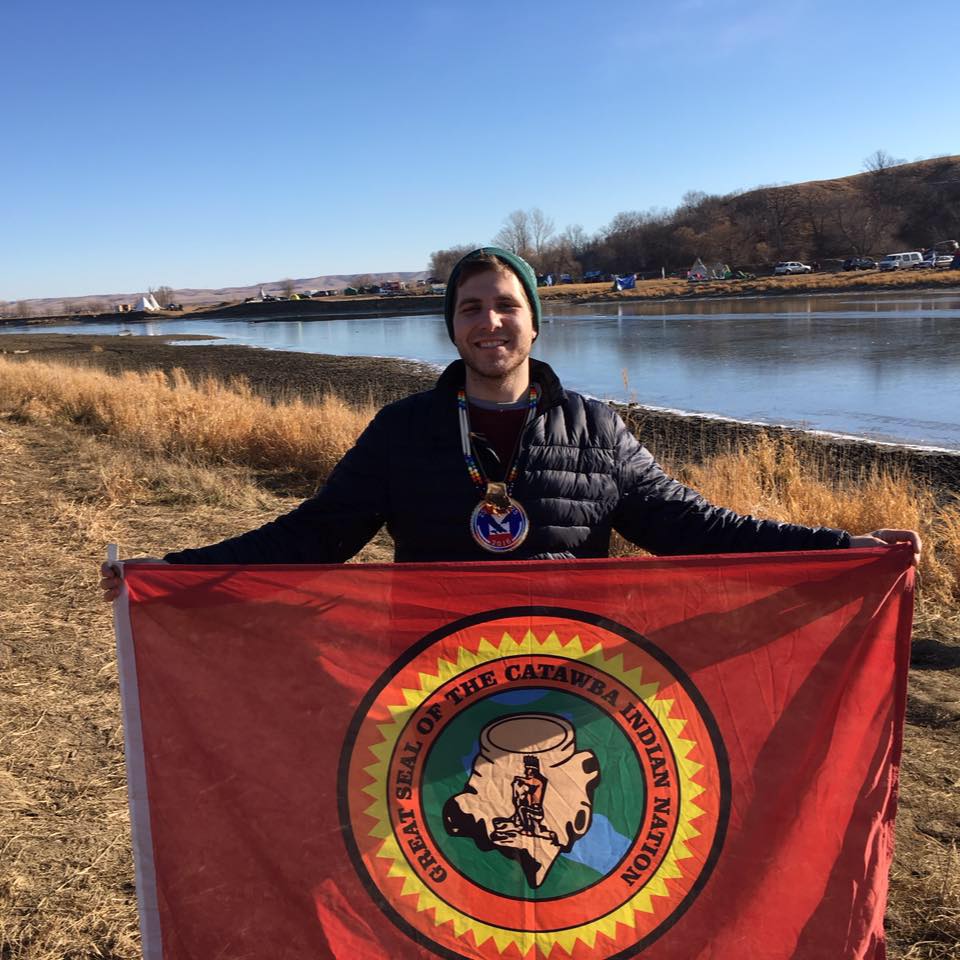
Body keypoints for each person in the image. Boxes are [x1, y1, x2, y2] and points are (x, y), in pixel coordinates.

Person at [100, 247, 920, 600]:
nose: (489, 323)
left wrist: (838, 548)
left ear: (536, 322)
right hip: (435, 677)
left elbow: (693, 527)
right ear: (450, 327)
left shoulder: (598, 432)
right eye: (469, 309)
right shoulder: (402, 431)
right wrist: (169, 571)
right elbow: (315, 536)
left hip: (576, 674)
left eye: (506, 306)